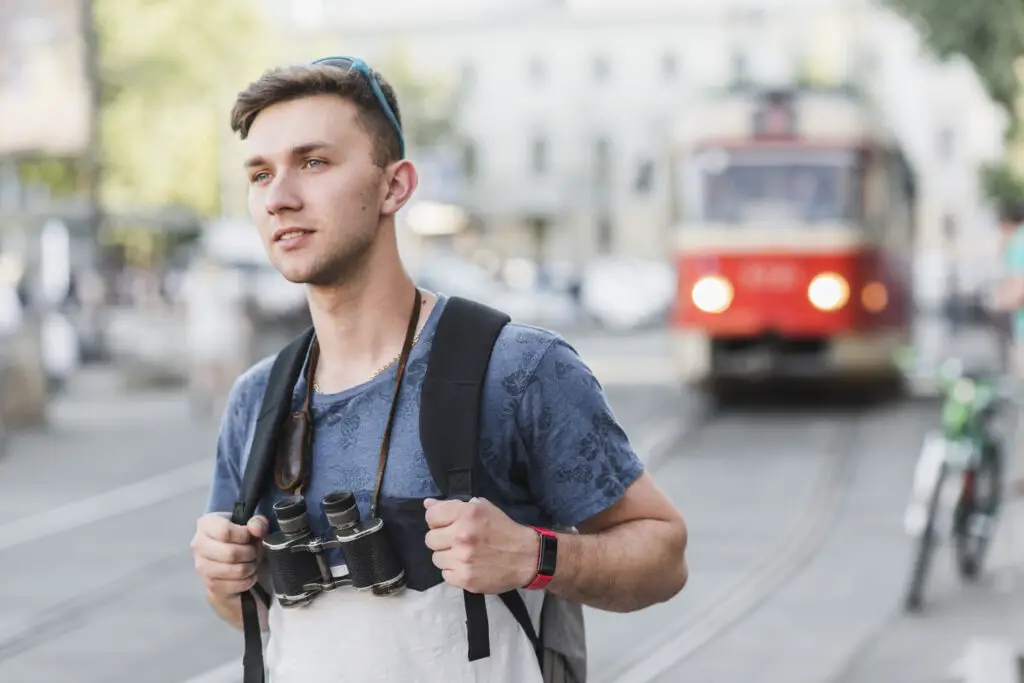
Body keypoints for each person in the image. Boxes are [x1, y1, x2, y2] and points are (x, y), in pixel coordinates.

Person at [189, 56, 689, 683]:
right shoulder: (257, 399)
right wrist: (221, 580)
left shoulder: (518, 368)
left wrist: (535, 556)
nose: (280, 197)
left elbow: (664, 558)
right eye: (261, 175)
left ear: (394, 187)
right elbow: (262, 622)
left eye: (314, 163)